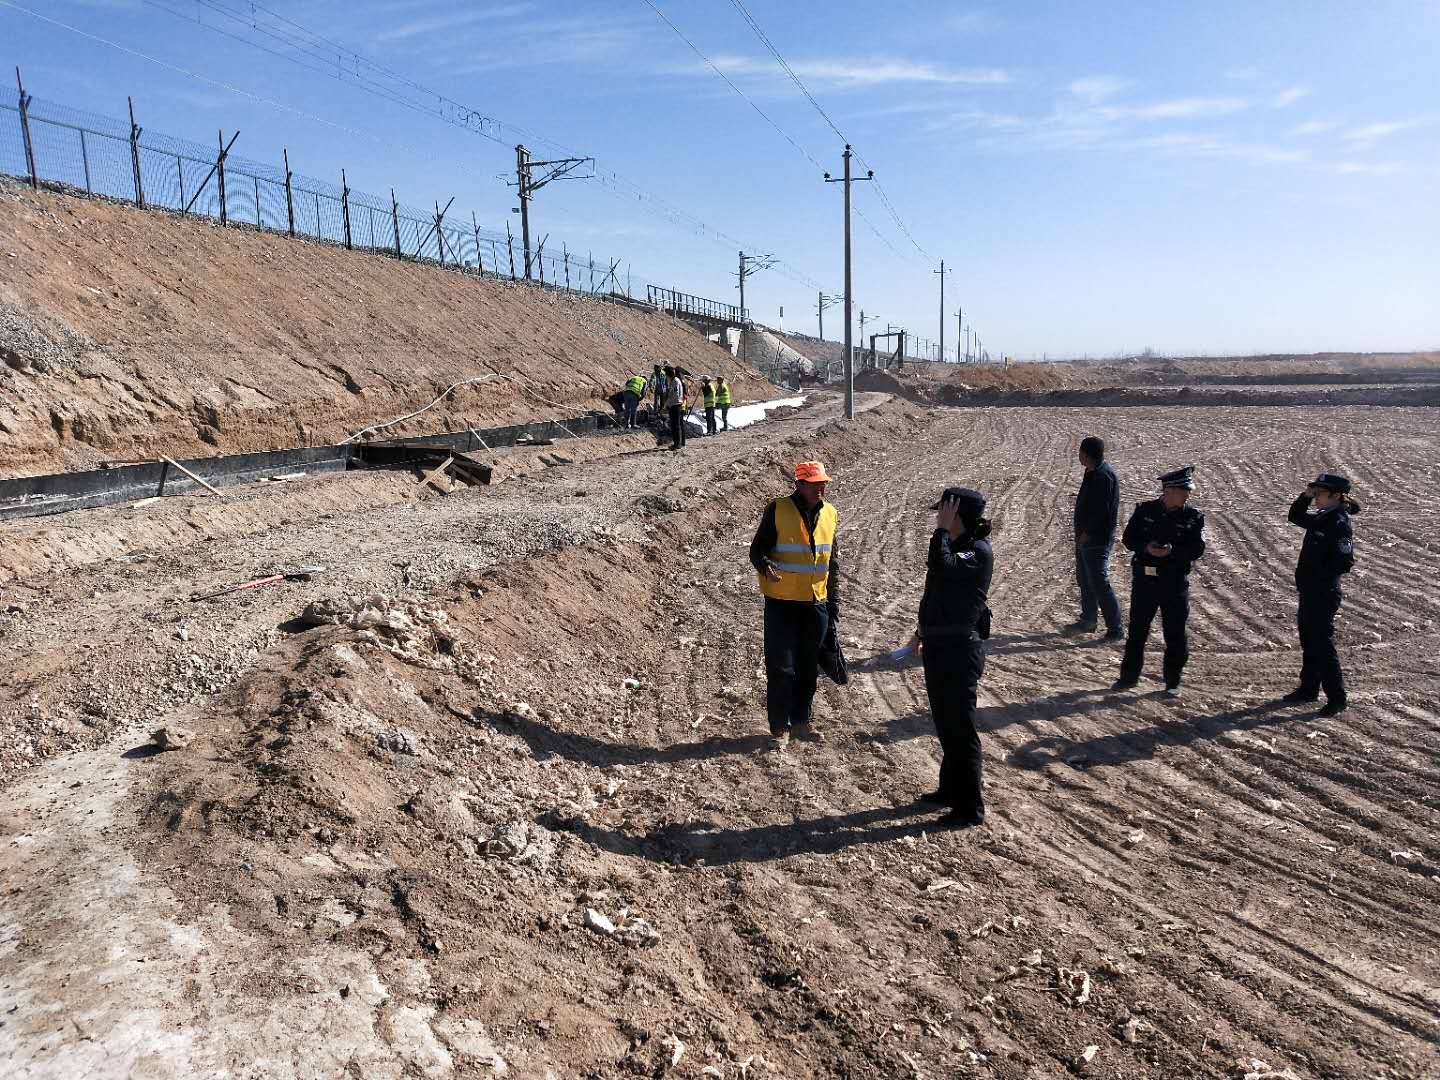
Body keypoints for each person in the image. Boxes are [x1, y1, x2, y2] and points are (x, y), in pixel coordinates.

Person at [909, 487, 993, 828]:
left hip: (960, 650)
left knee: (961, 729)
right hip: (941, 646)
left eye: (943, 514)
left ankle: (970, 808)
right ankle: (949, 790)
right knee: (946, 724)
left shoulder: (977, 551)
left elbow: (941, 567)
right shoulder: (956, 547)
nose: (938, 520)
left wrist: (941, 531)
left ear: (957, 516)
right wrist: (921, 631)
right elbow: (938, 592)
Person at [749, 461, 840, 749]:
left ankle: (801, 721)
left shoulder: (831, 513)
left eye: (823, 482)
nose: (821, 487)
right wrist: (765, 566)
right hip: (782, 604)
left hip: (816, 603)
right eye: (814, 483)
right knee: (781, 668)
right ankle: (779, 727)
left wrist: (833, 604)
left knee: (808, 667)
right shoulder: (777, 509)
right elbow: (757, 550)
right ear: (799, 484)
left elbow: (832, 563)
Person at [1113, 467, 1206, 697]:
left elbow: (1197, 549)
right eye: (1184, 490)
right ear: (1169, 490)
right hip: (1145, 580)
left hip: (1174, 583)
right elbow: (1129, 538)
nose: (1188, 495)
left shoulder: (1193, 517)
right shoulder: (1145, 510)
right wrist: (1146, 547)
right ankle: (1128, 677)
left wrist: (1172, 552)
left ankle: (1173, 681)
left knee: (1175, 633)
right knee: (1137, 630)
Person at [1282, 473, 1361, 716]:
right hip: (1309, 591)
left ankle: (1337, 698)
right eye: (1315, 494)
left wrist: (1317, 577)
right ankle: (1308, 689)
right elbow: (1294, 516)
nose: (1316, 498)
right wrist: (1304, 496)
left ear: (1336, 496)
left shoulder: (1338, 523)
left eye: (1320, 494)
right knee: (1309, 641)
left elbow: (1344, 562)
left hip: (1323, 593)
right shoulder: (1323, 518)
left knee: (1323, 646)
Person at [1066, 436, 1123, 639]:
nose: (1078, 456)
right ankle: (1088, 620)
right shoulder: (1092, 473)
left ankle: (1115, 629)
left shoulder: (1103, 477)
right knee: (1085, 580)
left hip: (1096, 540)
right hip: (1085, 539)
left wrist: (1087, 534)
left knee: (1099, 583)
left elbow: (1101, 512)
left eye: (1080, 452)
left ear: (1086, 454)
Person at [664, 365, 686, 451]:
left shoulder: (675, 381)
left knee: (675, 425)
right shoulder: (676, 380)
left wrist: (667, 405)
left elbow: (674, 395)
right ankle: (681, 442)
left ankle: (677, 444)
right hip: (676, 404)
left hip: (675, 405)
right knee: (679, 424)